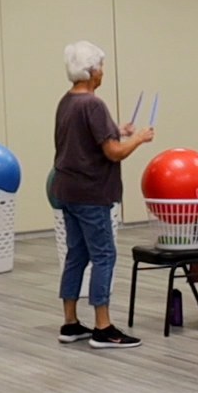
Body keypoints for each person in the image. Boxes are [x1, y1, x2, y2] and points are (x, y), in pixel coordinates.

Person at [53, 41, 152, 350]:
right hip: (91, 192)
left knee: (76, 255)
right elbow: (113, 152)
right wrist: (137, 139)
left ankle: (70, 322)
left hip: (66, 190)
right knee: (104, 255)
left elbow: (87, 137)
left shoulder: (67, 101)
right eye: (101, 66)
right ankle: (103, 326)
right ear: (93, 70)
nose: (103, 72)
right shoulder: (93, 104)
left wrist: (117, 129)